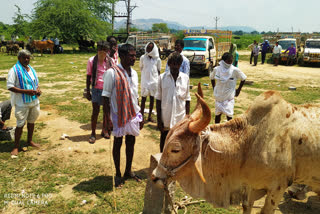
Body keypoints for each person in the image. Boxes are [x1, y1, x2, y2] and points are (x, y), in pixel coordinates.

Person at [102, 44, 143, 187]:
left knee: (131, 141)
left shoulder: (135, 73)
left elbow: (135, 95)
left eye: (134, 55)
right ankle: (118, 174)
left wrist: (140, 115)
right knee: (118, 143)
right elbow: (105, 98)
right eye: (131, 55)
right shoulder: (111, 73)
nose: (134, 58)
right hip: (117, 114)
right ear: (123, 56)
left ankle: (128, 171)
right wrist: (107, 119)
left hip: (133, 114)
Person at [7, 50, 42, 156]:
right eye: (24, 58)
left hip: (34, 101)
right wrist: (26, 92)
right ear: (19, 58)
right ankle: (16, 146)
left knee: (31, 122)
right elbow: (10, 86)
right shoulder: (14, 70)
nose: (26, 60)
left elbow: (36, 82)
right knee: (20, 124)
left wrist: (38, 90)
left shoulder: (31, 69)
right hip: (22, 102)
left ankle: (29, 141)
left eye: (28, 57)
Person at [156, 51, 191, 152]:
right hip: (166, 117)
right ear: (169, 64)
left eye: (177, 64)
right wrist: (159, 120)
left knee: (179, 144)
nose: (175, 66)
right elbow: (158, 99)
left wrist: (187, 118)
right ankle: (162, 161)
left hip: (180, 118)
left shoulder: (185, 78)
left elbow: (187, 99)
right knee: (164, 141)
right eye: (173, 63)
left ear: (180, 64)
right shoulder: (162, 78)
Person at [86, 41, 113, 143]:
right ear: (97, 50)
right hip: (96, 89)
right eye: (100, 51)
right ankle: (93, 133)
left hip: (107, 89)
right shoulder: (92, 61)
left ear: (107, 51)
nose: (102, 53)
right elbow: (89, 76)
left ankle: (105, 130)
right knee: (95, 112)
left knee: (107, 112)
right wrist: (88, 90)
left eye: (104, 51)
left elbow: (113, 75)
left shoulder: (110, 61)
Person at [210, 52, 246, 124]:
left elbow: (243, 78)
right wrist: (214, 87)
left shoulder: (234, 70)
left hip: (229, 97)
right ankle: (216, 129)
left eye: (231, 61)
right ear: (223, 61)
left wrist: (238, 90)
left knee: (229, 116)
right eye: (229, 61)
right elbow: (211, 78)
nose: (230, 62)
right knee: (217, 115)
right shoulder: (217, 69)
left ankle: (230, 131)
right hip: (219, 96)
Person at [140, 42, 161, 123]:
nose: (148, 49)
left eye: (150, 48)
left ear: (153, 49)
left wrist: (157, 81)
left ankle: (149, 116)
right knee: (143, 99)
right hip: (145, 81)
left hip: (154, 82)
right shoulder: (143, 57)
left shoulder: (157, 59)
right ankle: (141, 116)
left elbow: (158, 70)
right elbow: (141, 67)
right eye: (147, 47)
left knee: (152, 99)